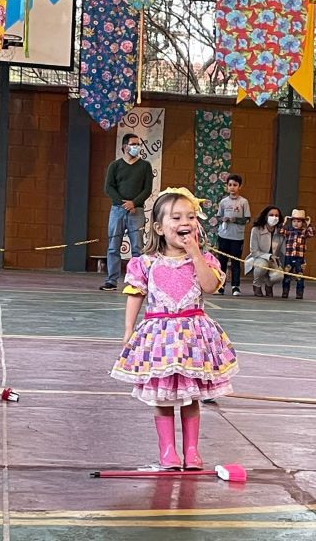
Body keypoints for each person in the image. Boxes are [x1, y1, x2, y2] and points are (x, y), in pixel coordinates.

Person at [110, 187, 239, 470]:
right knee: (163, 394)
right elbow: (135, 295)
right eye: (176, 217)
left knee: (190, 395)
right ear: (159, 227)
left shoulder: (204, 260)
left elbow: (210, 286)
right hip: (159, 337)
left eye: (191, 217)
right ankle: (167, 451)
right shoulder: (145, 263)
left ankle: (191, 451)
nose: (185, 222)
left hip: (193, 336)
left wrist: (195, 253)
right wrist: (128, 330)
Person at [100, 133, 154, 291]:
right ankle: (111, 280)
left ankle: (138, 280)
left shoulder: (145, 166)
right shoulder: (115, 166)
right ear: (125, 147)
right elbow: (108, 187)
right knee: (113, 246)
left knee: (138, 247)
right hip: (117, 210)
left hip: (137, 211)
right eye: (133, 144)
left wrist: (134, 203)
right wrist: (123, 204)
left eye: (138, 144)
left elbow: (147, 189)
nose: (137, 147)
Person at [216, 174, 251, 296]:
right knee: (222, 262)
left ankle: (235, 287)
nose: (232, 187)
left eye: (235, 185)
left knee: (235, 262)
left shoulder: (243, 202)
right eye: (230, 185)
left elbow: (247, 219)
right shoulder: (223, 202)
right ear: (227, 186)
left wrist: (235, 220)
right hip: (223, 236)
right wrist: (223, 219)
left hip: (237, 237)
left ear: (240, 187)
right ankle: (220, 286)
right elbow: (218, 217)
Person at [245, 205, 285, 297]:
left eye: (276, 215)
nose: (274, 217)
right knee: (262, 266)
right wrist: (269, 256)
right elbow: (254, 251)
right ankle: (257, 285)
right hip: (258, 258)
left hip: (274, 261)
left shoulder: (281, 232)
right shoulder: (256, 230)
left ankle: (269, 285)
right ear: (266, 216)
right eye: (271, 215)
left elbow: (284, 250)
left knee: (279, 276)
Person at [279, 209, 316, 299]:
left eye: (299, 221)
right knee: (287, 275)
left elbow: (312, 233)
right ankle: (285, 291)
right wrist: (284, 223)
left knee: (300, 276)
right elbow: (280, 231)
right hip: (289, 257)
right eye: (294, 221)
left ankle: (299, 293)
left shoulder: (303, 232)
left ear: (302, 223)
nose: (296, 223)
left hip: (299, 258)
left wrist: (309, 224)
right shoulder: (289, 231)